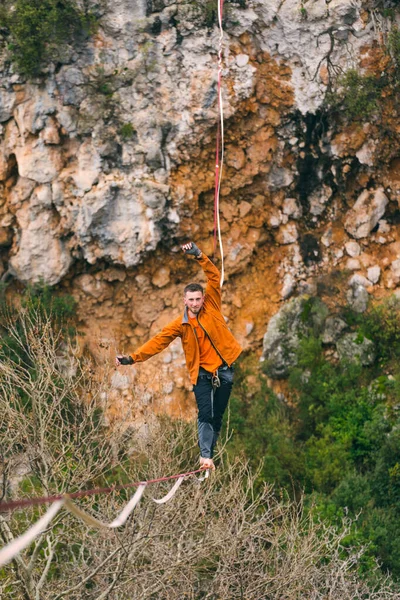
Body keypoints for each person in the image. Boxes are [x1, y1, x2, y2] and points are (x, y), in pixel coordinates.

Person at [116, 242, 242, 470]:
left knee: (218, 416)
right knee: (205, 413)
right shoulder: (180, 325)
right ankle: (205, 456)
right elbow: (157, 342)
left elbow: (214, 276)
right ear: (184, 301)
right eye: (190, 300)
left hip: (224, 369)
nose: (194, 303)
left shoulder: (212, 305)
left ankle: (209, 454)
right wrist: (132, 358)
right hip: (202, 374)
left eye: (197, 299)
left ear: (203, 298)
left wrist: (198, 255)